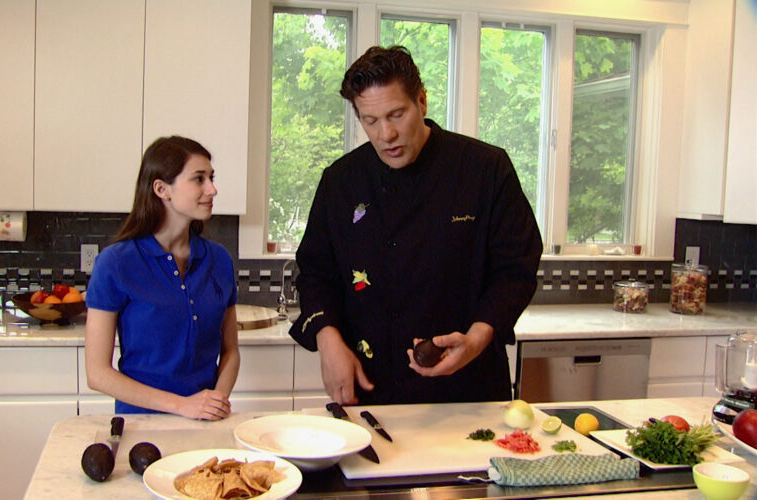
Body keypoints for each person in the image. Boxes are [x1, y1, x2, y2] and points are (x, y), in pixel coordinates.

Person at [289, 46, 542, 406]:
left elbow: (515, 270)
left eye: (396, 114)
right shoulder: (341, 181)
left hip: (468, 388)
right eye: (370, 120)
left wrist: (477, 338)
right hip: (370, 390)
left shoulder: (484, 169)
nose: (386, 134)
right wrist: (327, 341)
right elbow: (315, 273)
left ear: (421, 101)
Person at [84, 136, 239, 419]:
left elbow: (231, 352)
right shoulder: (115, 264)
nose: (212, 189)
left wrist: (215, 401)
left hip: (205, 422)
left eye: (211, 178)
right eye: (199, 179)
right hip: (140, 424)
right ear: (161, 189)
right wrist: (183, 406)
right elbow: (98, 374)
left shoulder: (219, 260)